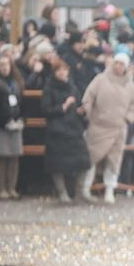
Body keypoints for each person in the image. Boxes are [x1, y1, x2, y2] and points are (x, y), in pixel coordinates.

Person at [80, 52, 134, 204]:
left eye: (122, 64)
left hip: (119, 127)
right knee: (92, 157)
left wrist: (128, 119)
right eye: (117, 63)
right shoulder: (100, 79)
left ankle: (109, 189)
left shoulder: (130, 84)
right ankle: (85, 188)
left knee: (114, 160)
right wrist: (88, 112)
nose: (119, 67)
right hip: (98, 125)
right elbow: (89, 97)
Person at [41, 58, 91, 203]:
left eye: (65, 69)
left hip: (74, 128)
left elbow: (78, 104)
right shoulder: (49, 88)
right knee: (57, 163)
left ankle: (79, 190)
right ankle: (62, 192)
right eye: (60, 70)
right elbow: (45, 109)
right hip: (57, 130)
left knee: (83, 161)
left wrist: (81, 111)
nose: (63, 73)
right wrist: (62, 107)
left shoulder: (72, 87)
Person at [0, 50, 24, 199]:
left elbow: (22, 102)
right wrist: (6, 120)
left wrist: (21, 119)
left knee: (14, 156)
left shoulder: (17, 81)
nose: (4, 67)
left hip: (16, 122)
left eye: (7, 64)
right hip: (0, 124)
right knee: (1, 156)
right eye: (1, 64)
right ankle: (1, 188)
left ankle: (12, 187)